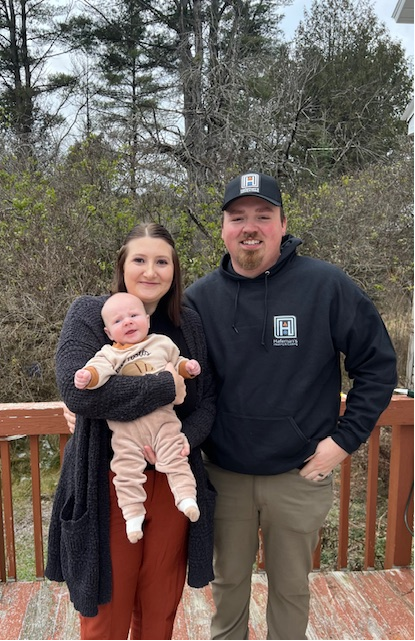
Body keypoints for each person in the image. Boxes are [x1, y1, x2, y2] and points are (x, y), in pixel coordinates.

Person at [184, 171, 397, 640]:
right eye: (238, 217)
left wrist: (342, 442)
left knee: (290, 590)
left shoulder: (326, 286)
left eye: (263, 215)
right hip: (225, 475)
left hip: (299, 476)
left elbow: (378, 366)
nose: (250, 226)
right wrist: (91, 398)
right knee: (228, 586)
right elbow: (160, 367)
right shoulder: (197, 300)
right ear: (223, 227)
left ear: (282, 224)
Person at [45, 223, 217, 641]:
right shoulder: (91, 314)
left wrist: (183, 439)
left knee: (159, 609)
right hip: (107, 482)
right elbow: (77, 390)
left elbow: (207, 400)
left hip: (173, 480)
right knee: (108, 608)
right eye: (139, 260)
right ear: (122, 266)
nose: (150, 271)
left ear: (174, 270)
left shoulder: (187, 323)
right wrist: (165, 387)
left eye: (162, 261)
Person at [74, 292, 201, 543]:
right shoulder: (110, 354)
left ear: (147, 320)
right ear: (109, 332)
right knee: (126, 469)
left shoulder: (161, 344)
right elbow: (97, 370)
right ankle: (133, 515)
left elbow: (178, 364)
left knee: (175, 456)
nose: (128, 322)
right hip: (125, 429)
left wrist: (188, 368)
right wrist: (87, 376)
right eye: (119, 321)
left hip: (162, 421)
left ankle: (186, 497)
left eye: (133, 316)